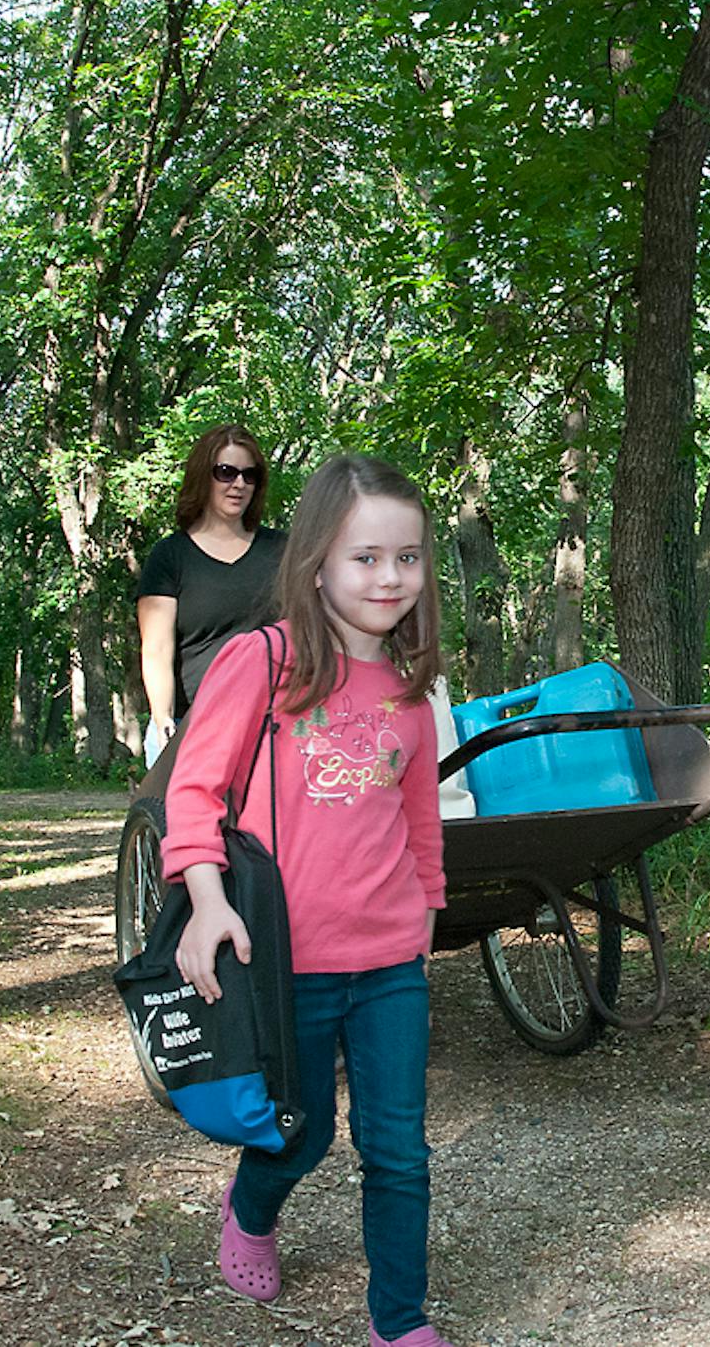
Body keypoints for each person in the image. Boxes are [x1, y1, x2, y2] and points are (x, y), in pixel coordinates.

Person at [161, 454, 456, 1347]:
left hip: (390, 963)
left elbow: (421, 826)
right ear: (317, 561)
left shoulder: (411, 692)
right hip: (284, 959)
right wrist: (207, 900)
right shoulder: (264, 662)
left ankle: (399, 1322)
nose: (389, 577)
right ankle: (250, 1210)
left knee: (398, 1148)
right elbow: (192, 792)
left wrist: (424, 918)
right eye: (366, 557)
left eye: (407, 557)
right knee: (302, 1131)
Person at [136, 424, 287, 765]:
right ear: (203, 476)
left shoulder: (282, 551)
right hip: (192, 727)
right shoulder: (170, 556)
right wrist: (162, 719)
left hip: (272, 728)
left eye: (249, 475)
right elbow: (157, 649)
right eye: (226, 472)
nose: (239, 484)